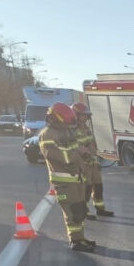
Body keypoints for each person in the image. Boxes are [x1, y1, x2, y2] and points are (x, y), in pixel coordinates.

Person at [39, 102, 95, 252]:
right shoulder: (47, 135)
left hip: (76, 179)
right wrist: (79, 152)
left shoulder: (66, 132)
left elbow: (75, 150)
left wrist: (86, 157)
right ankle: (75, 241)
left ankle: (81, 238)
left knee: (80, 210)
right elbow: (60, 156)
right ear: (56, 119)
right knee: (73, 212)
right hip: (64, 183)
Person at [72, 101, 113, 219]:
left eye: (86, 115)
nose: (85, 117)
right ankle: (84, 211)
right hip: (83, 164)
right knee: (87, 188)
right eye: (82, 115)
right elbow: (75, 147)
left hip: (92, 162)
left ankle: (100, 209)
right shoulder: (72, 130)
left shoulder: (86, 128)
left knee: (98, 185)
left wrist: (96, 158)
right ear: (76, 115)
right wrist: (83, 153)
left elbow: (90, 144)